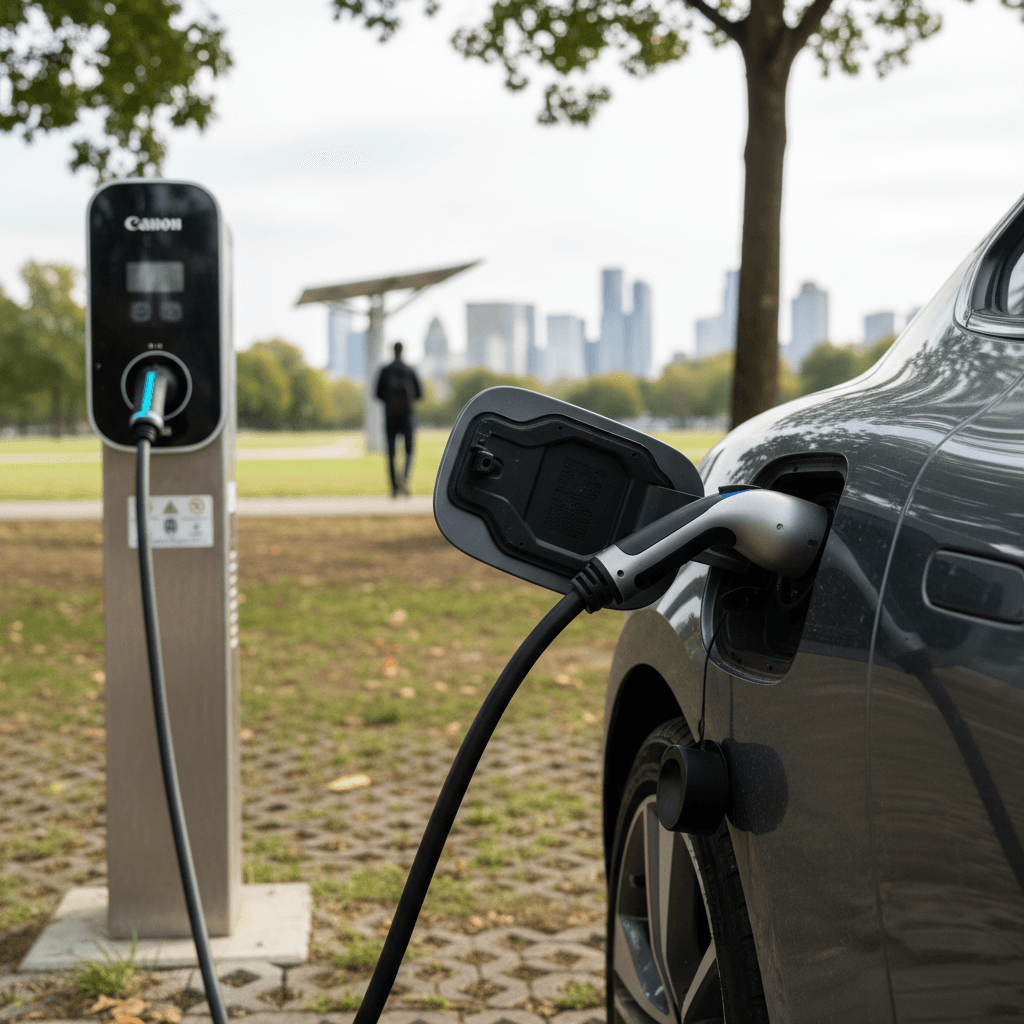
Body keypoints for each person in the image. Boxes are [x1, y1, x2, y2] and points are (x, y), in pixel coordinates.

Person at [374, 341, 422, 497]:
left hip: (390, 416)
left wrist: (390, 403)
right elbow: (419, 393)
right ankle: (405, 479)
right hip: (407, 416)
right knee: (409, 451)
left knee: (391, 452)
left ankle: (394, 487)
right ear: (403, 351)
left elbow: (377, 394)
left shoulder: (385, 370)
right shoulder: (410, 370)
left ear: (392, 351)